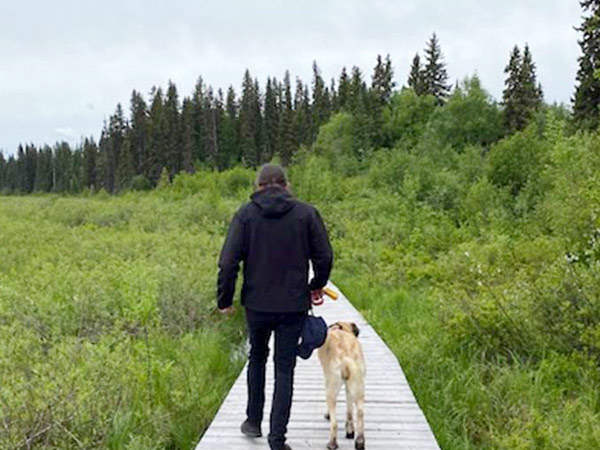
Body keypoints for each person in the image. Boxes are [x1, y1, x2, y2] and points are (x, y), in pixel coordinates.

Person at [217, 163, 333, 450]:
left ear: (258, 187)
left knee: (257, 358)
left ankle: (253, 421)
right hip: (293, 305)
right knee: (285, 368)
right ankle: (277, 439)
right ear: (286, 185)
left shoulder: (245, 216)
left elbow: (228, 262)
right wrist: (317, 283)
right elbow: (325, 255)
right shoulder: (306, 214)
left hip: (256, 304)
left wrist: (224, 300)